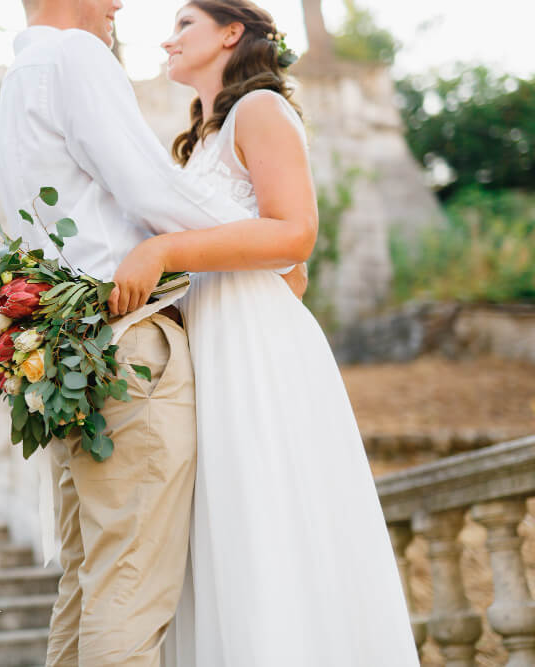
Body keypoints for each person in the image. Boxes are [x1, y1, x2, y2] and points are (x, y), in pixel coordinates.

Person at [0, 1, 306, 664]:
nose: (117, 5)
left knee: (86, 584)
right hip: (128, 349)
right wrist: (271, 243)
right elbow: (150, 189)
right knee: (128, 586)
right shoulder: (76, 56)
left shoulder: (18, 79)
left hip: (66, 354)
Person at [108, 2, 421, 665]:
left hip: (253, 342)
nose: (168, 39)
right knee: (222, 527)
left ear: (230, 33)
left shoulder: (260, 111)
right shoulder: (199, 138)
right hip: (211, 337)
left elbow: (295, 233)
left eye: (184, 25)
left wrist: (166, 254)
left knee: (263, 510)